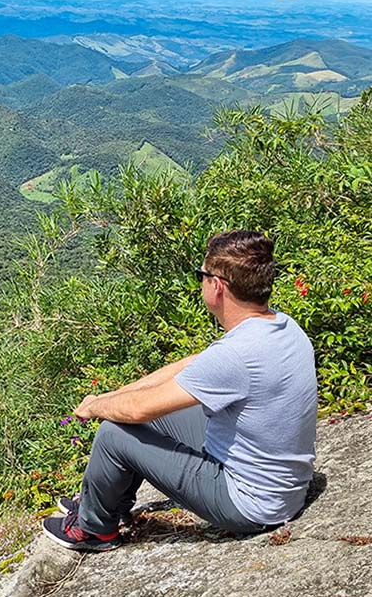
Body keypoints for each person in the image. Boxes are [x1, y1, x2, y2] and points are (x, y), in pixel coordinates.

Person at [42, 230, 317, 552]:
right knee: (156, 415)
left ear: (217, 286)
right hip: (279, 483)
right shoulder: (280, 326)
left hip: (250, 503)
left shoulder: (237, 354)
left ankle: (92, 530)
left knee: (114, 432)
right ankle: (109, 505)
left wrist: (94, 407)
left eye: (201, 275)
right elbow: (190, 366)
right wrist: (112, 396)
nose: (200, 281)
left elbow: (136, 411)